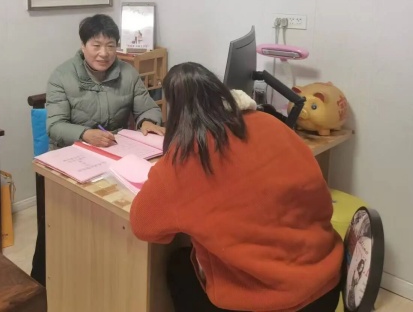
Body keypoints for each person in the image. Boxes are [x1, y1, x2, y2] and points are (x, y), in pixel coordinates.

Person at [130, 62, 343, 312]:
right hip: (328, 284)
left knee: (179, 265)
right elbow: (320, 199)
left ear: (175, 112)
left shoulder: (182, 160)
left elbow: (143, 225)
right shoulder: (271, 123)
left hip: (272, 304)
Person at [30, 14, 165, 282]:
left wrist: (148, 120)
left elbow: (148, 107)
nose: (104, 53)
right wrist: (84, 134)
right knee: (62, 221)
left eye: (111, 46)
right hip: (74, 157)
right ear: (83, 46)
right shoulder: (61, 76)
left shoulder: (128, 74)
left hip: (115, 155)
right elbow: (54, 126)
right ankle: (44, 281)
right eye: (96, 45)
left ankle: (107, 278)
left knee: (125, 213)